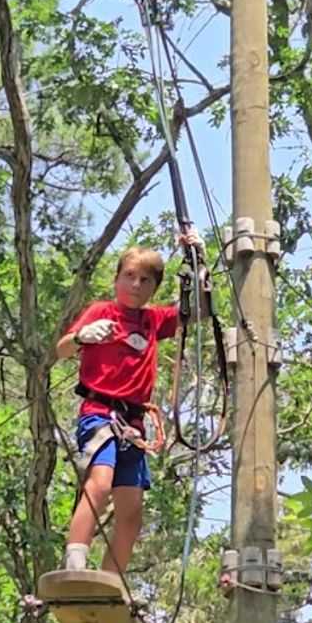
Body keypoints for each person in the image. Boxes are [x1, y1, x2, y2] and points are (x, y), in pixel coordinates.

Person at [55, 233, 204, 576]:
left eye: (145, 280)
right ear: (117, 279)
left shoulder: (153, 321)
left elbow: (198, 312)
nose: (136, 285)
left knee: (132, 512)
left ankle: (111, 582)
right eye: (129, 276)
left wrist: (198, 262)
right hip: (100, 413)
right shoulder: (102, 312)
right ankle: (75, 563)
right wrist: (81, 336)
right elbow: (61, 350)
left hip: (133, 425)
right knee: (100, 482)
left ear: (154, 287)